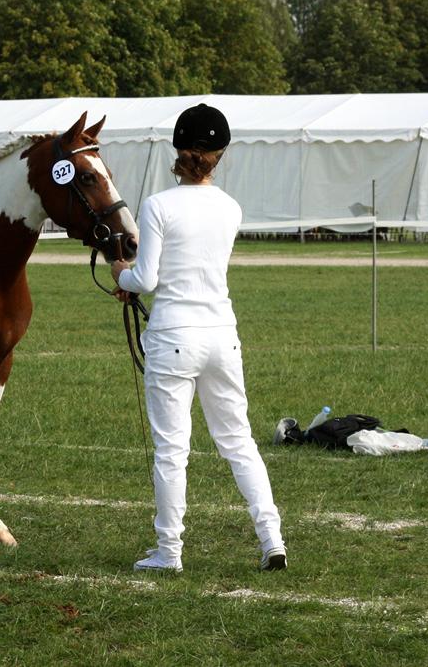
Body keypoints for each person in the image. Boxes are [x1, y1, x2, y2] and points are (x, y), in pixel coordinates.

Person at [109, 103, 286, 573]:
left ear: (178, 150)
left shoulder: (158, 205)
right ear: (220, 154)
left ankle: (170, 551)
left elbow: (146, 279)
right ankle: (272, 538)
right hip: (221, 335)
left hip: (173, 336)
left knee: (172, 450)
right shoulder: (231, 207)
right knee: (239, 443)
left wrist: (120, 276)